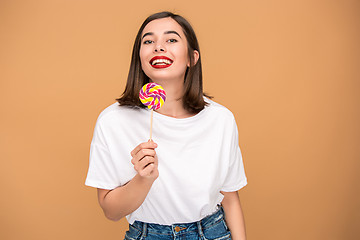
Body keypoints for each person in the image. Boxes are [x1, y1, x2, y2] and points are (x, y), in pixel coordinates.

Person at [85, 11, 248, 240]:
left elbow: (230, 198)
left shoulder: (221, 119)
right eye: (148, 41)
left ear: (192, 57)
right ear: (139, 58)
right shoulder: (112, 122)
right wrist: (143, 179)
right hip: (147, 234)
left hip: (212, 232)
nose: (158, 47)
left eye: (171, 39)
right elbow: (111, 211)